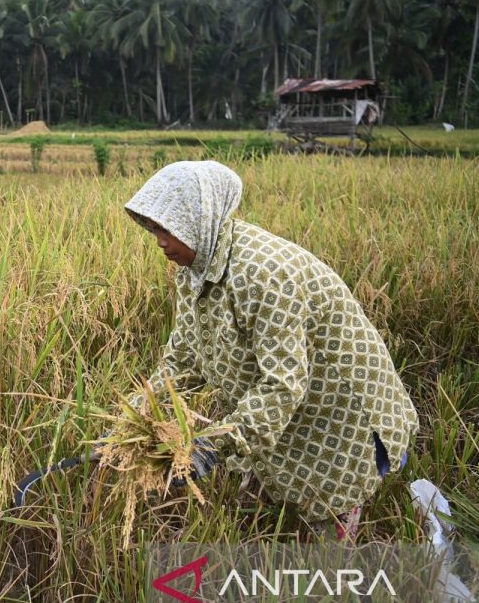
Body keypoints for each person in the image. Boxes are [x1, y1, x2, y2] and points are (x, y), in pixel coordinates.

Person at [124, 160, 418, 540]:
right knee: (272, 503)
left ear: (200, 219)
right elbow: (183, 357)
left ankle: (337, 592)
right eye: (154, 229)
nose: (161, 241)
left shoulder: (266, 274)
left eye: (169, 229)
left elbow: (283, 385)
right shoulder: (193, 268)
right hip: (293, 409)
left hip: (338, 408)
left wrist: (211, 445)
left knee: (329, 517)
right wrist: (135, 413)